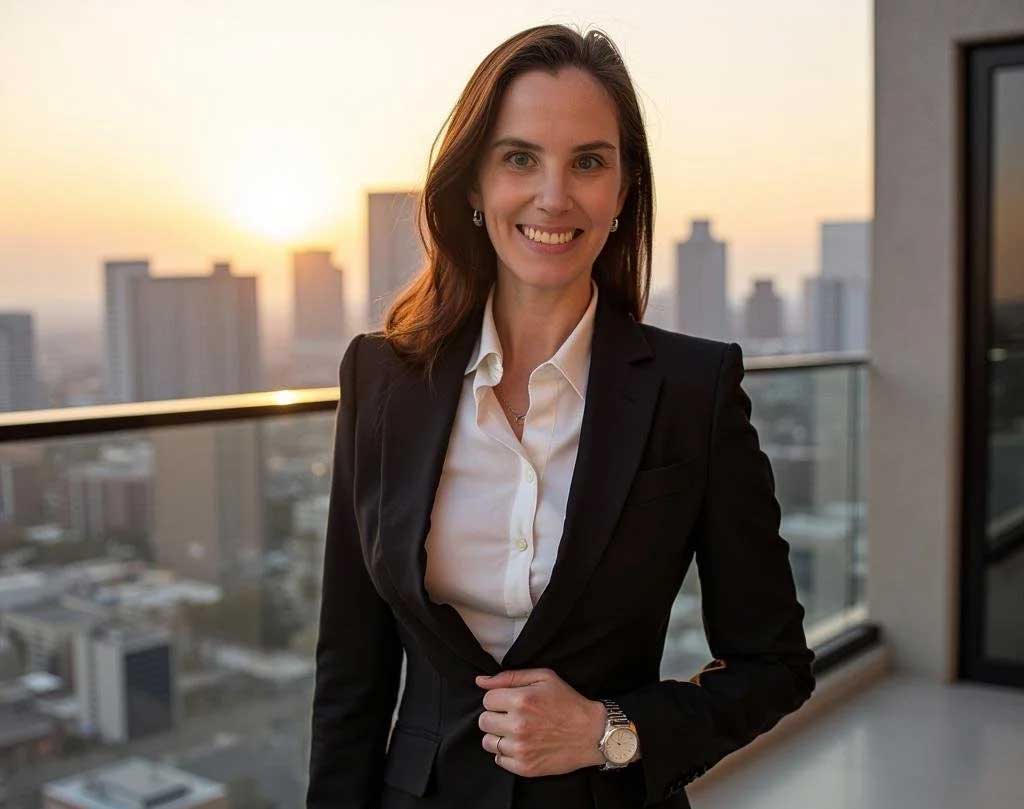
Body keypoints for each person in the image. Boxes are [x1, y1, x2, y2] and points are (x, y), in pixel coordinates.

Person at [306, 23, 815, 809]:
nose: (554, 195)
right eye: (519, 158)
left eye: (588, 162)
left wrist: (611, 730)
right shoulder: (380, 378)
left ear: (623, 191)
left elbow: (775, 665)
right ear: (473, 185)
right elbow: (350, 672)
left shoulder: (694, 388)